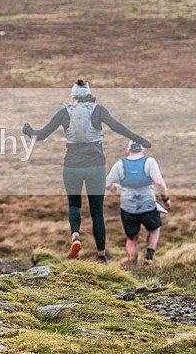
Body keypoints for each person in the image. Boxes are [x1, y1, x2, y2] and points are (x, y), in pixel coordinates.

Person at [23, 80, 152, 264]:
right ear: (89, 94)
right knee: (97, 211)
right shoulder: (99, 110)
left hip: (72, 166)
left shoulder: (64, 112)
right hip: (95, 166)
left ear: (74, 96)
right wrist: (141, 140)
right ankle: (101, 256)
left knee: (74, 204)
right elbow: (117, 127)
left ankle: (75, 235)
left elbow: (40, 135)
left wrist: (28, 130)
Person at [106, 142, 170, 265]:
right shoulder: (149, 162)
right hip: (148, 206)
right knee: (154, 229)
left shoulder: (120, 164)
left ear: (128, 149)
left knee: (131, 237)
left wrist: (114, 188)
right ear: (143, 150)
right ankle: (149, 257)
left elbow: (107, 185)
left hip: (128, 208)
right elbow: (159, 182)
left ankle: (132, 264)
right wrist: (165, 199)